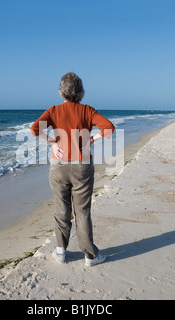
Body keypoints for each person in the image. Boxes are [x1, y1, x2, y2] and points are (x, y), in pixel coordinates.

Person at [30, 72, 115, 267]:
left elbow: (35, 130)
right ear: (81, 92)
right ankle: (90, 256)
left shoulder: (53, 111)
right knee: (82, 211)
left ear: (61, 92)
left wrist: (52, 142)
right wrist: (91, 140)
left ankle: (60, 251)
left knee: (62, 208)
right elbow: (109, 127)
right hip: (82, 166)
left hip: (58, 166)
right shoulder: (87, 110)